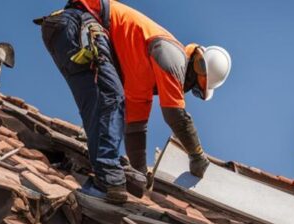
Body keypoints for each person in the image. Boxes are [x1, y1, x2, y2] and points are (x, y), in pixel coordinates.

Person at [75, 0, 231, 179]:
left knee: (112, 103)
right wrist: (197, 155)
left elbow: (135, 130)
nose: (188, 90)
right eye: (195, 88)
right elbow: (175, 115)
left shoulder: (142, 80)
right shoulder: (173, 57)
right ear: (197, 69)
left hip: (86, 25)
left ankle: (94, 156)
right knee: (110, 101)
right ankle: (94, 159)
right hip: (89, 17)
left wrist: (140, 174)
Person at [37, 3, 128, 203]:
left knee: (94, 105)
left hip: (57, 27)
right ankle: (109, 176)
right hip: (81, 24)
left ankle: (102, 178)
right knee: (113, 96)